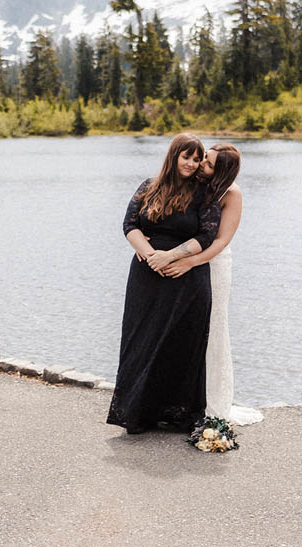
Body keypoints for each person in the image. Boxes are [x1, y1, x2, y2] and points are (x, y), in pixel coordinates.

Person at [106, 133, 223, 434]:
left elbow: (207, 236)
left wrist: (168, 257)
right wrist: (149, 255)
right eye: (187, 156)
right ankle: (138, 413)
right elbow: (129, 225)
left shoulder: (204, 192)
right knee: (140, 340)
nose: (192, 163)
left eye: (197, 159)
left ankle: (177, 415)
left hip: (186, 277)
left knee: (181, 343)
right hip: (146, 276)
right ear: (174, 156)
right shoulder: (149, 186)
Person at [153, 143, 262, 425]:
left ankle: (213, 403)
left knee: (212, 329)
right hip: (186, 259)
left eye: (208, 164)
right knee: (185, 328)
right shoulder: (197, 184)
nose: (201, 165)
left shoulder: (232, 193)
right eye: (203, 160)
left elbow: (222, 241)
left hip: (212, 263)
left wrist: (191, 262)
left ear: (222, 172)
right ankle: (179, 400)